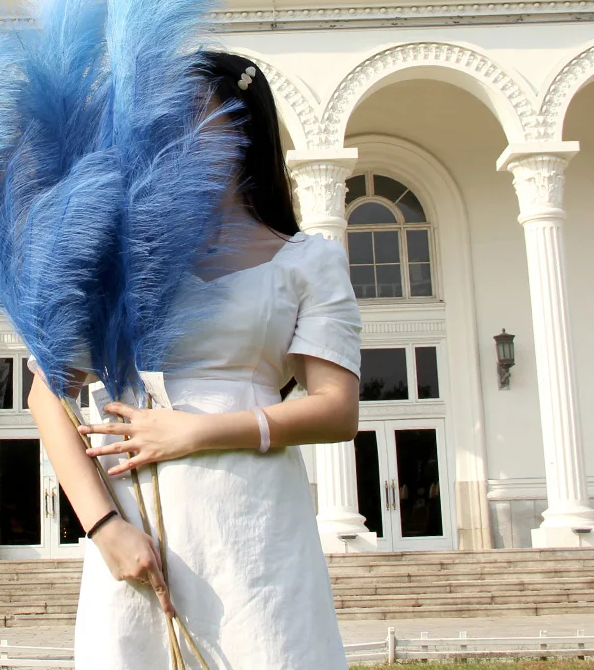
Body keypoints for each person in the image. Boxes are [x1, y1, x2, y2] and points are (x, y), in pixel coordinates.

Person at [27, 52, 363, 670]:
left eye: (192, 118)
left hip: (256, 523)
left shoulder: (307, 260)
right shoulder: (115, 257)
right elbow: (47, 392)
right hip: (138, 524)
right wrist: (104, 529)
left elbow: (337, 410)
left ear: (242, 129)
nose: (173, 136)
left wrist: (194, 432)